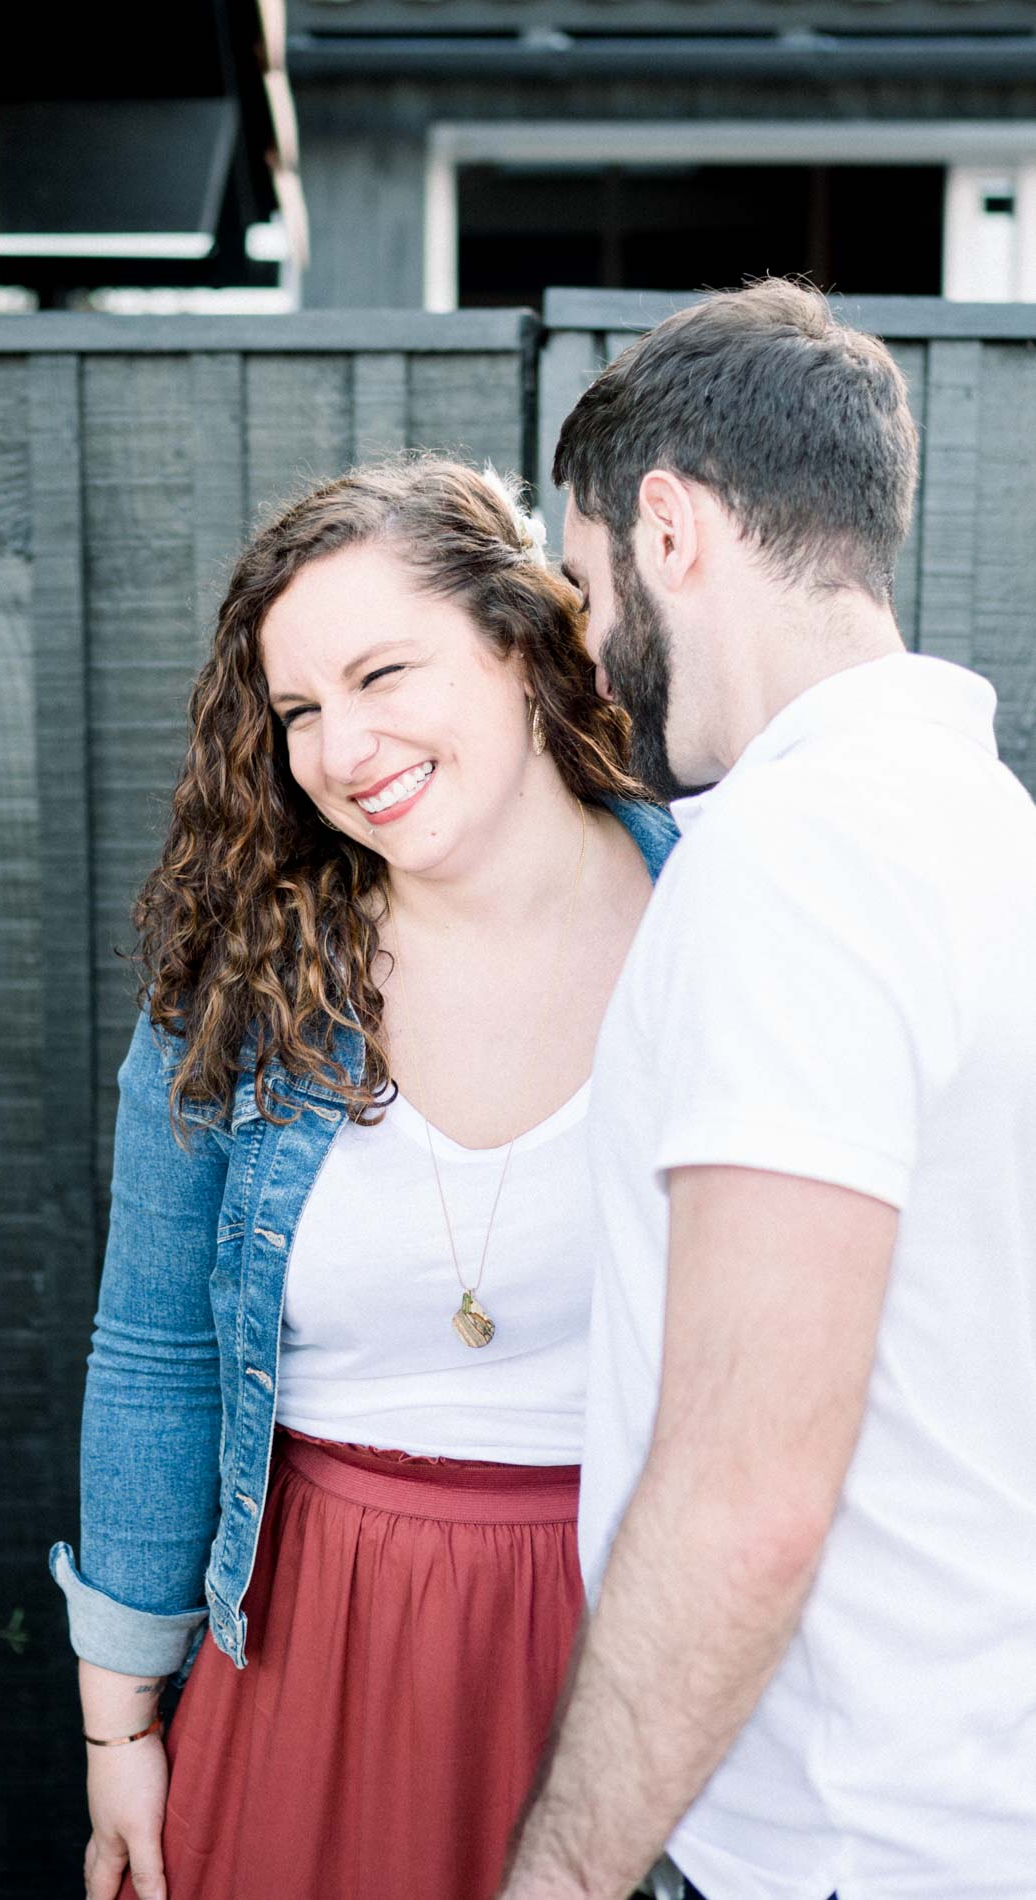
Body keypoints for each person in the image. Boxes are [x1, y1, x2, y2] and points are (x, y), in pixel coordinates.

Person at [49, 458, 678, 1900]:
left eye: (385, 672)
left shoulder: (723, 926)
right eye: (301, 712)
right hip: (309, 1637)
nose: (342, 747)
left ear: (523, 646)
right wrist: (120, 1724)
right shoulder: (242, 982)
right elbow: (152, 1352)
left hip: (632, 1648)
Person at [501, 278, 1036, 1900]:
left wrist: (563, 1878)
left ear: (668, 531)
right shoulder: (984, 834)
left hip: (843, 1846)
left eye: (585, 587)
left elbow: (746, 1498)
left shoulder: (793, 869)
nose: (589, 657)